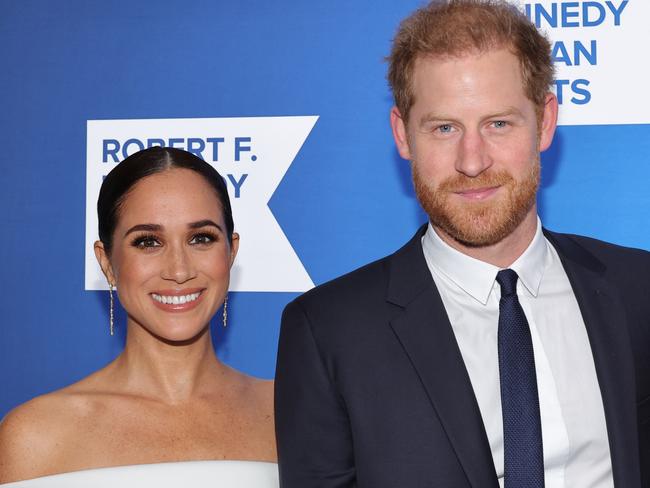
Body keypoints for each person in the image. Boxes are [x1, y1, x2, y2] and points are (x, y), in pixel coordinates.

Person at [274, 1, 650, 487]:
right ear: (402, 135)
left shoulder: (637, 290)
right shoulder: (328, 332)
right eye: (444, 128)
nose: (472, 161)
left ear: (546, 121)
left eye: (498, 123)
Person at [0, 147, 278, 486]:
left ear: (230, 252)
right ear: (106, 263)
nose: (179, 270)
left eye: (201, 238)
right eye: (148, 242)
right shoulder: (35, 436)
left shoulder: (291, 412)